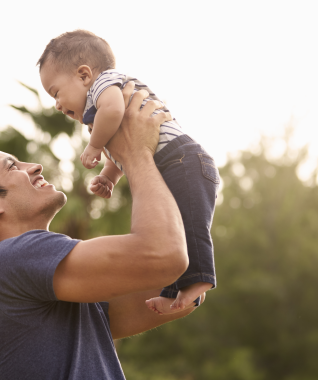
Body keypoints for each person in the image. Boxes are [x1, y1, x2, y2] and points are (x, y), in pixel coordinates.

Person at [0, 85, 204, 379]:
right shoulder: (9, 259)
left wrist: (165, 158)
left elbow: (180, 289)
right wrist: (135, 154)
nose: (34, 166)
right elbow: (165, 256)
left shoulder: (41, 285)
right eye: (12, 166)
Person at [38, 30, 220, 315]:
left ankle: (199, 282)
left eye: (56, 92)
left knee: (190, 223)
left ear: (84, 75)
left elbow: (114, 111)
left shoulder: (104, 85)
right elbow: (122, 148)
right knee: (171, 230)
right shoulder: (96, 106)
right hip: (171, 163)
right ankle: (175, 291)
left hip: (182, 159)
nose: (57, 104)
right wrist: (110, 175)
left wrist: (94, 146)